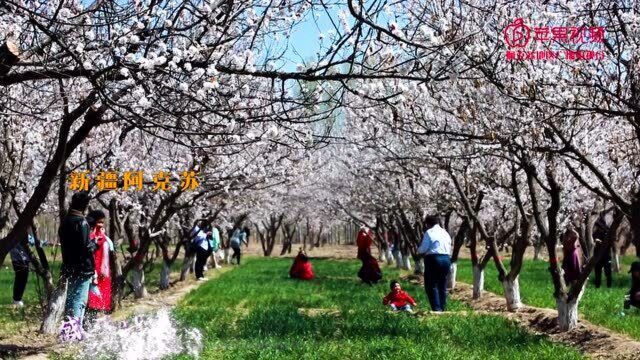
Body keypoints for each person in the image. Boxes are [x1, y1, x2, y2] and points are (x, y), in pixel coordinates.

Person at [60, 191, 96, 324]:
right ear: (85, 206)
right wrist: (95, 244)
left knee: (70, 298)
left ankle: (68, 328)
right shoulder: (82, 223)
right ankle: (73, 331)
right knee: (79, 300)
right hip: (83, 267)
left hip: (69, 266)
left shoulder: (65, 222)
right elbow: (86, 248)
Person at [417, 215, 451, 312]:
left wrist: (418, 250)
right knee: (442, 284)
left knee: (431, 285)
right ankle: (443, 308)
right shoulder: (445, 233)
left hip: (433, 259)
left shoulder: (429, 232)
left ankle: (437, 309)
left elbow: (423, 248)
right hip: (446, 259)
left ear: (427, 224)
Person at [86, 210, 113, 317]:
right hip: (94, 272)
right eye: (99, 222)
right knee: (91, 301)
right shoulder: (90, 237)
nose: (101, 225)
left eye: (102, 222)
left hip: (104, 274)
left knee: (100, 302)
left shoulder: (105, 238)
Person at [10, 239, 31, 307]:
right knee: (20, 278)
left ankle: (18, 298)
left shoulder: (24, 233)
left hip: (25, 258)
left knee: (23, 278)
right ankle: (16, 299)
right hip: (17, 259)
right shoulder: (16, 234)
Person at [593, 215, 612, 288]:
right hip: (598, 255)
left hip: (606, 255)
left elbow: (610, 243)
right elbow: (592, 241)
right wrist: (596, 241)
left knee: (608, 272)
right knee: (597, 272)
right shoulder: (596, 233)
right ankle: (597, 286)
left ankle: (609, 287)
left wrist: (602, 242)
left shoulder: (608, 232)